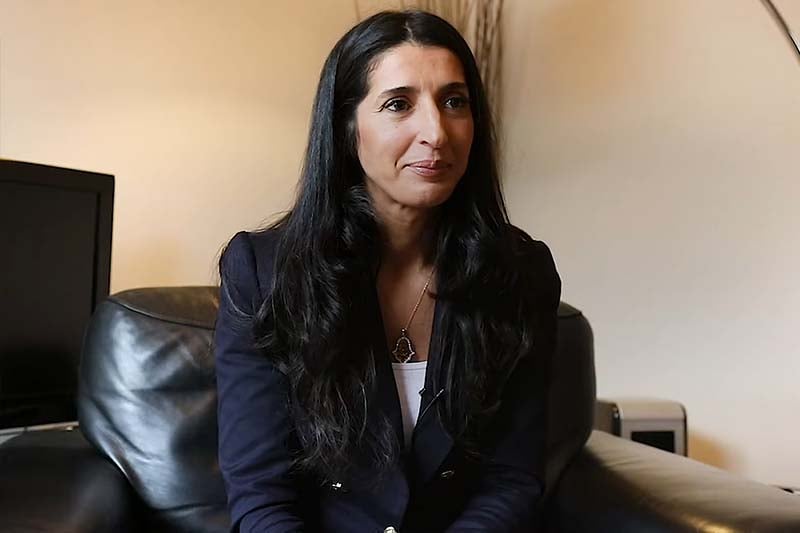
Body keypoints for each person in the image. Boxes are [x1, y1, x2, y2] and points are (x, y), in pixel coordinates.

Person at [214, 9, 560, 533]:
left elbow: (511, 481)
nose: (436, 132)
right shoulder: (263, 273)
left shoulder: (520, 273)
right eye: (399, 104)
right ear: (346, 126)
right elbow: (261, 495)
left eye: (454, 102)